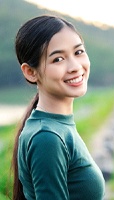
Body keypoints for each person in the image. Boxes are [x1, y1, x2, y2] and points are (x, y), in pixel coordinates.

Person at [11, 15, 105, 200]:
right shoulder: (47, 138)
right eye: (58, 59)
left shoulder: (56, 127)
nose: (75, 66)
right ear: (31, 72)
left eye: (78, 52)